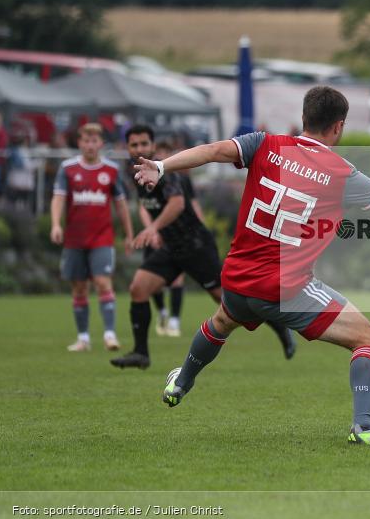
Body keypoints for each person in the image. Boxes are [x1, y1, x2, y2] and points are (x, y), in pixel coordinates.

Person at [133, 86, 370, 445]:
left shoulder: (264, 144)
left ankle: (181, 381)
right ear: (338, 127)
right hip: (284, 287)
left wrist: (160, 165)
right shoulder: (341, 173)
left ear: (303, 118)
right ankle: (365, 428)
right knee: (369, 339)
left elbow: (214, 150)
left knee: (221, 321)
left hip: (235, 279)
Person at [113, 125, 295, 369]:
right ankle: (141, 353)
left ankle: (278, 325)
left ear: (153, 146)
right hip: (170, 247)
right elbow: (147, 204)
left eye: (144, 144)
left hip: (194, 244)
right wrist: (152, 228)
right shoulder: (136, 171)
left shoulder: (164, 170)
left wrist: (153, 228)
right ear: (127, 147)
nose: (139, 149)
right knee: (138, 288)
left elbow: (176, 204)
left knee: (230, 303)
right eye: (134, 145)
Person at [51, 122, 134, 352]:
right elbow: (58, 198)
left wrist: (129, 235)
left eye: (94, 141)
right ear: (79, 143)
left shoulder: (111, 170)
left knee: (102, 282)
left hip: (101, 238)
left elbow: (121, 205)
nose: (90, 145)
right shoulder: (67, 168)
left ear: (100, 144)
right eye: (86, 141)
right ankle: (83, 339)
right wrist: (56, 224)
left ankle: (109, 335)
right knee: (78, 287)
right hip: (74, 239)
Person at [146, 142, 204, 338]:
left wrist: (201, 230)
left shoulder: (181, 179)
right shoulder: (149, 178)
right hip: (157, 234)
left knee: (177, 278)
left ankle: (174, 321)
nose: (161, 157)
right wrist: (152, 230)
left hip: (179, 235)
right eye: (158, 154)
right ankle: (162, 311)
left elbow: (193, 205)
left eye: (165, 153)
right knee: (150, 281)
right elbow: (144, 205)